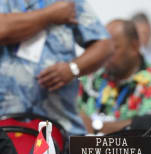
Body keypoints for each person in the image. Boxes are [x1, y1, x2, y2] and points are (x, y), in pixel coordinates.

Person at [0, 0, 112, 135]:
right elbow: (3, 29)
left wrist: (72, 69)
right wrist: (49, 15)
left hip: (60, 125)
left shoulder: (68, 2)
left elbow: (105, 45)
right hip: (6, 126)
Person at [78, 19, 151, 135]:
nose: (106, 54)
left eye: (114, 48)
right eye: (104, 49)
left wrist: (101, 127)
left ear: (134, 46)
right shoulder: (92, 79)